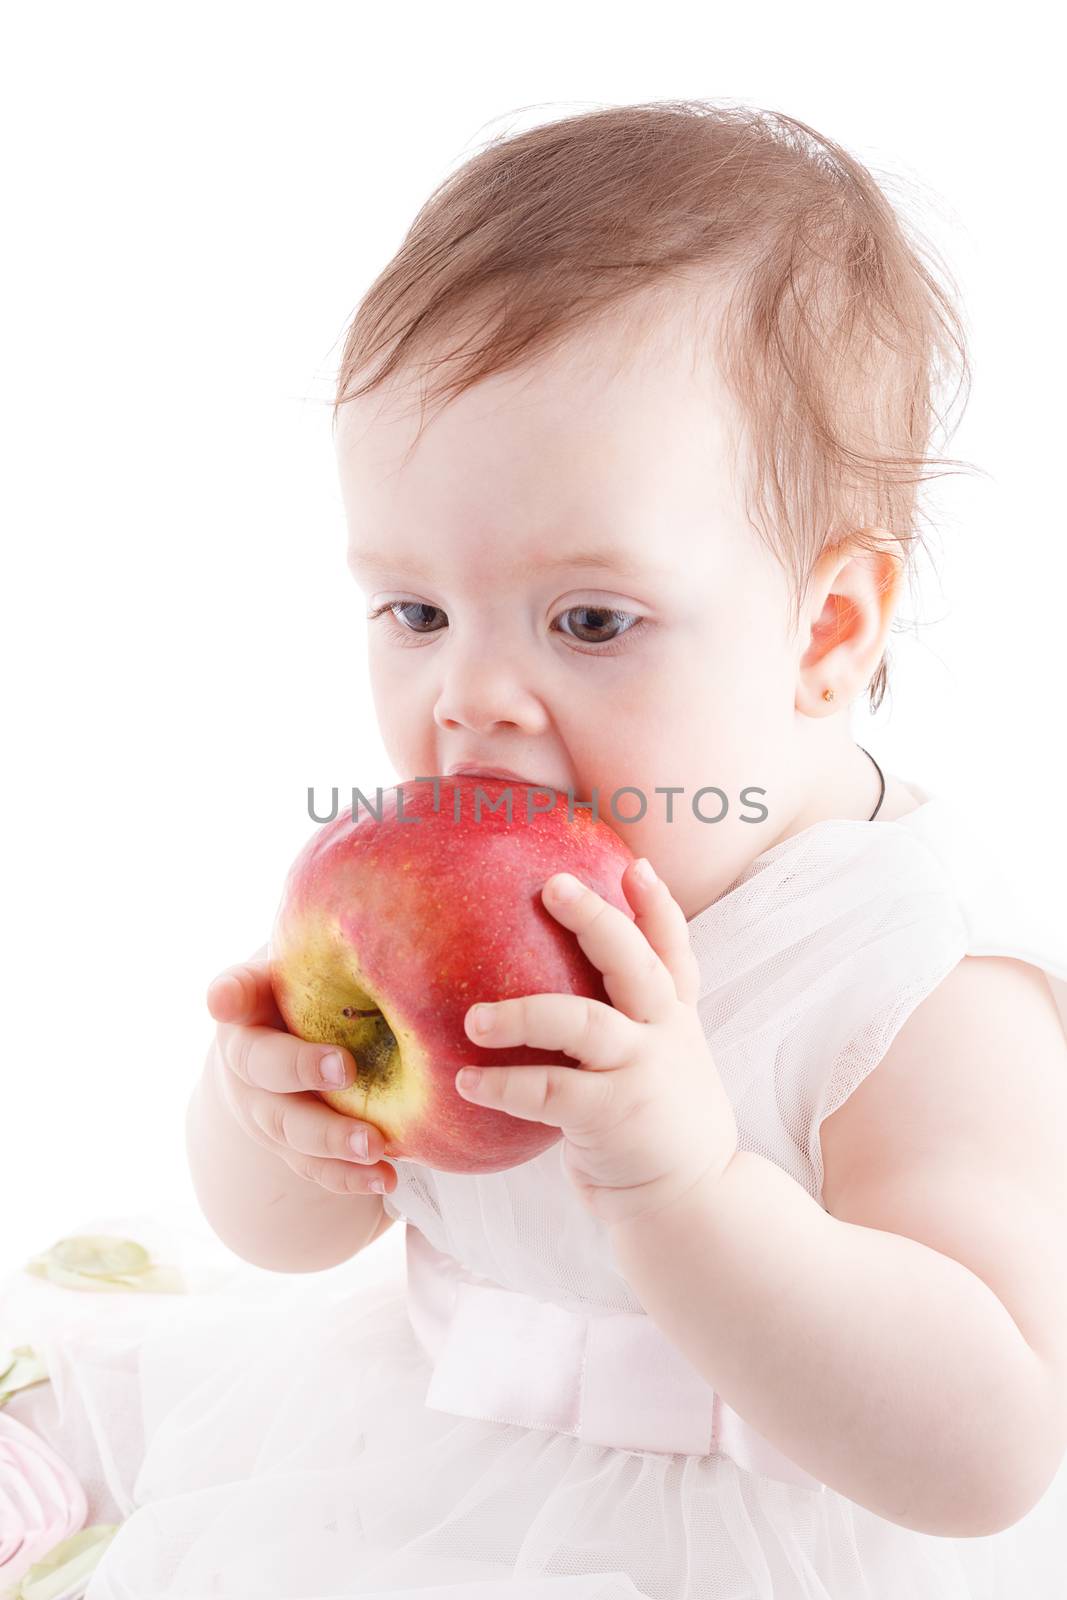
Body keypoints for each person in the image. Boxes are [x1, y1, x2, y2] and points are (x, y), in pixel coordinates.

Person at [3, 98, 1067, 1600]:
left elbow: (991, 1449)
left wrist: (687, 1189)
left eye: (588, 621)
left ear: (825, 628)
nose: (470, 703)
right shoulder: (407, 902)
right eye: (416, 614)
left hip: (754, 1543)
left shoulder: (913, 975)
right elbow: (284, 1241)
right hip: (411, 1457)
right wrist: (275, 1122)